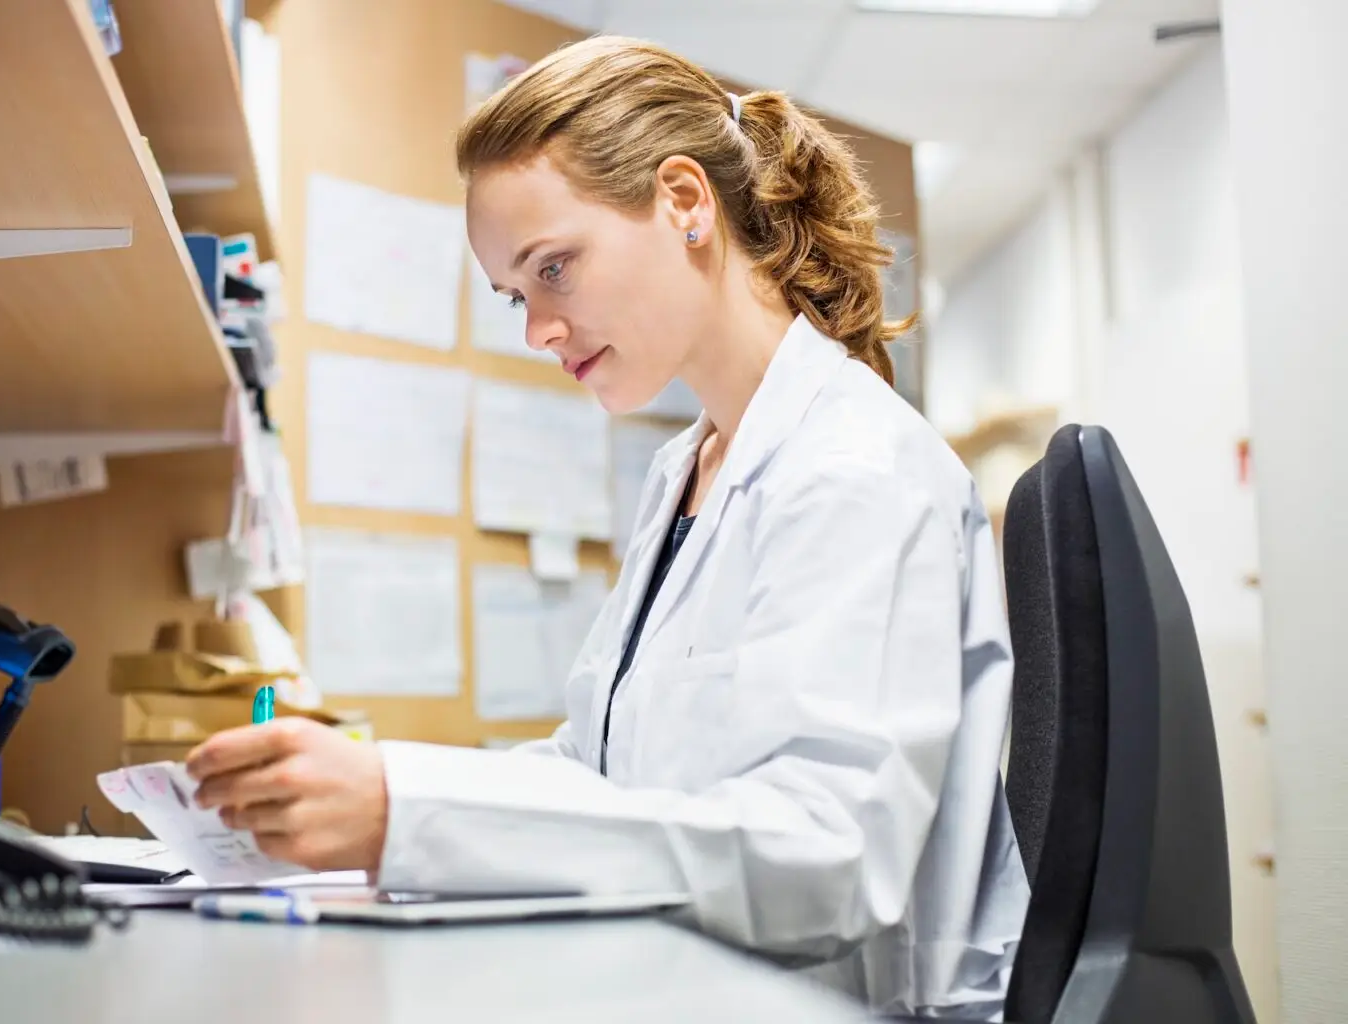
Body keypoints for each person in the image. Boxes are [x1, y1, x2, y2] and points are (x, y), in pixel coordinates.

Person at [187, 36, 1027, 1019]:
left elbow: (826, 861)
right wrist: (379, 788)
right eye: (516, 294)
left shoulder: (856, 464)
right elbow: (599, 769)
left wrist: (405, 815)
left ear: (684, 201)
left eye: (555, 268)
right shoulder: (689, 469)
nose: (538, 328)